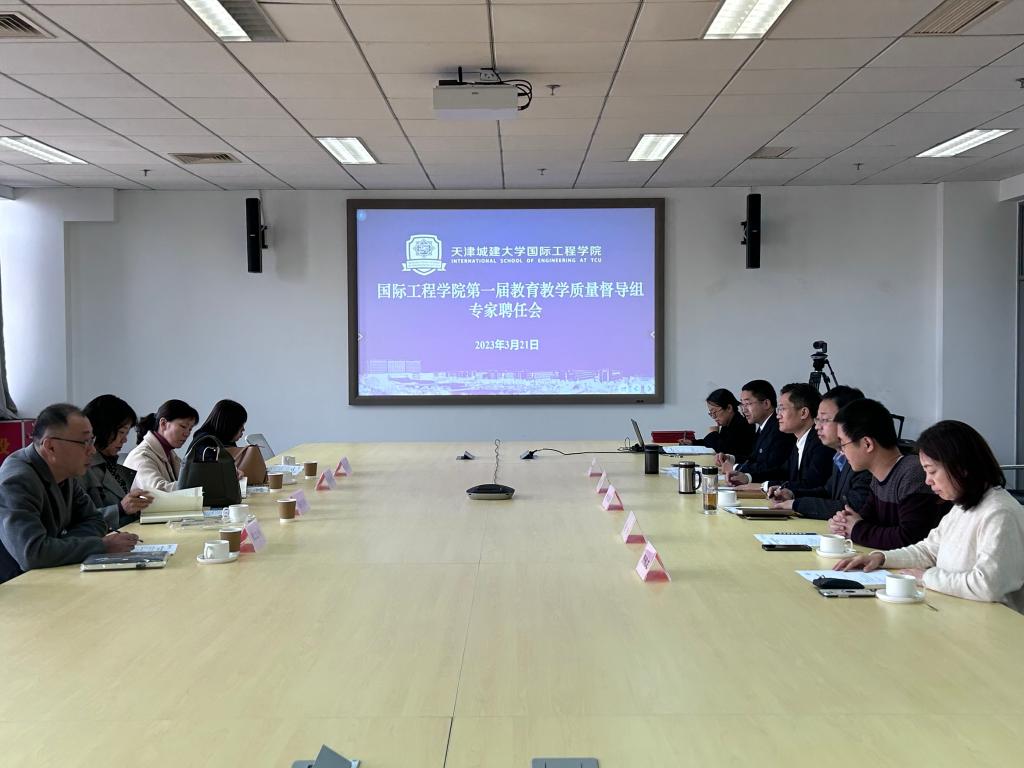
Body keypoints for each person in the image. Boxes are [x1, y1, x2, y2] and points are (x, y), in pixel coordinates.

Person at [835, 421, 1024, 613]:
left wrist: (926, 577)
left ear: (961, 467)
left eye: (932, 471)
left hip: (995, 621)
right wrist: (881, 558)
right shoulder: (962, 506)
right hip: (959, 611)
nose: (927, 480)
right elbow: (929, 550)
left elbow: (988, 585)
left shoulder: (1000, 513)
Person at [0, 403, 140, 584]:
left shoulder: (65, 472)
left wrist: (56, 545)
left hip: (51, 573)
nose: (92, 450)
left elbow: (96, 520)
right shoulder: (17, 480)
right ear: (50, 446)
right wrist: (101, 545)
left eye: (92, 440)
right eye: (84, 442)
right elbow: (32, 554)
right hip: (16, 585)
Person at [828, 398, 947, 549]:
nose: (841, 452)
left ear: (867, 444)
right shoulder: (878, 477)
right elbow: (866, 520)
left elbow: (911, 539)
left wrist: (856, 529)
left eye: (843, 444)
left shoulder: (913, 474)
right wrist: (844, 523)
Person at [769, 385, 872, 520]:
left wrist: (796, 504)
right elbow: (827, 491)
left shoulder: (863, 460)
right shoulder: (840, 456)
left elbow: (850, 507)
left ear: (849, 421)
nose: (817, 426)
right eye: (817, 420)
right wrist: (792, 494)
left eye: (824, 420)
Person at [81, 394, 153, 529]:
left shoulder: (111, 464)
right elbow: (77, 522)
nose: (124, 440)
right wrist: (120, 509)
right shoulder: (79, 469)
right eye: (121, 432)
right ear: (103, 429)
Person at [721, 379, 795, 485]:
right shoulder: (763, 427)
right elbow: (754, 458)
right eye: (742, 404)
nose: (744, 410)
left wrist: (735, 467)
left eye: (747, 404)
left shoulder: (780, 429)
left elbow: (772, 467)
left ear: (766, 404)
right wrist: (731, 458)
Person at [124, 399, 199, 492]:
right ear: (163, 423)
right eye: (183, 426)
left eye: (190, 429)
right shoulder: (141, 456)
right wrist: (199, 482)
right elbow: (157, 491)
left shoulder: (172, 456)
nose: (187, 434)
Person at [683, 388, 755, 462]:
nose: (713, 417)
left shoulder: (742, 425)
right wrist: (693, 442)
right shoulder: (728, 424)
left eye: (714, 412)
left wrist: (713, 433)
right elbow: (713, 442)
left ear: (729, 408)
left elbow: (724, 451)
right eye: (711, 413)